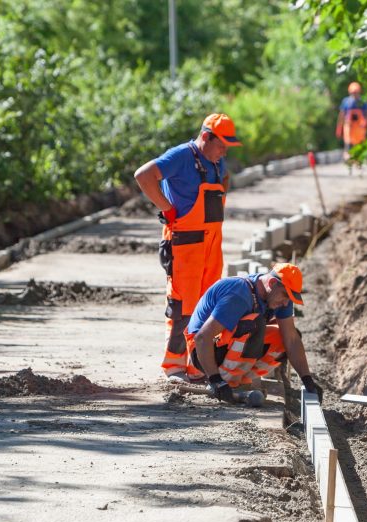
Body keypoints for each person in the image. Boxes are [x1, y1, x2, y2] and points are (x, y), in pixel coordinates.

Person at [134, 113, 241, 382]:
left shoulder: (217, 160)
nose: (223, 151)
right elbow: (144, 175)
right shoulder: (181, 156)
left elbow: (224, 179)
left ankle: (198, 366)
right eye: (221, 145)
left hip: (211, 244)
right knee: (183, 306)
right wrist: (167, 208)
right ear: (206, 137)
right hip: (185, 243)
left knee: (207, 304)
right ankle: (174, 367)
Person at [186, 263, 323, 403]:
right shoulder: (238, 294)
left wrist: (307, 380)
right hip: (202, 353)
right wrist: (216, 381)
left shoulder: (278, 298)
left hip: (223, 347)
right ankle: (227, 380)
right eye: (285, 295)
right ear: (272, 283)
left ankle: (240, 379)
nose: (285, 303)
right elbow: (202, 338)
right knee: (255, 323)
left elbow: (292, 340)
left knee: (285, 338)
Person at [336, 81, 367, 162]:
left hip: (359, 127)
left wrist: (366, 124)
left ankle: (358, 159)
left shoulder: (363, 102)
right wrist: (339, 127)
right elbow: (341, 115)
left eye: (356, 92)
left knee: (360, 144)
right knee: (348, 143)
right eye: (353, 92)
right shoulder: (346, 101)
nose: (354, 94)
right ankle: (349, 158)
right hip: (349, 126)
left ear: (359, 92)